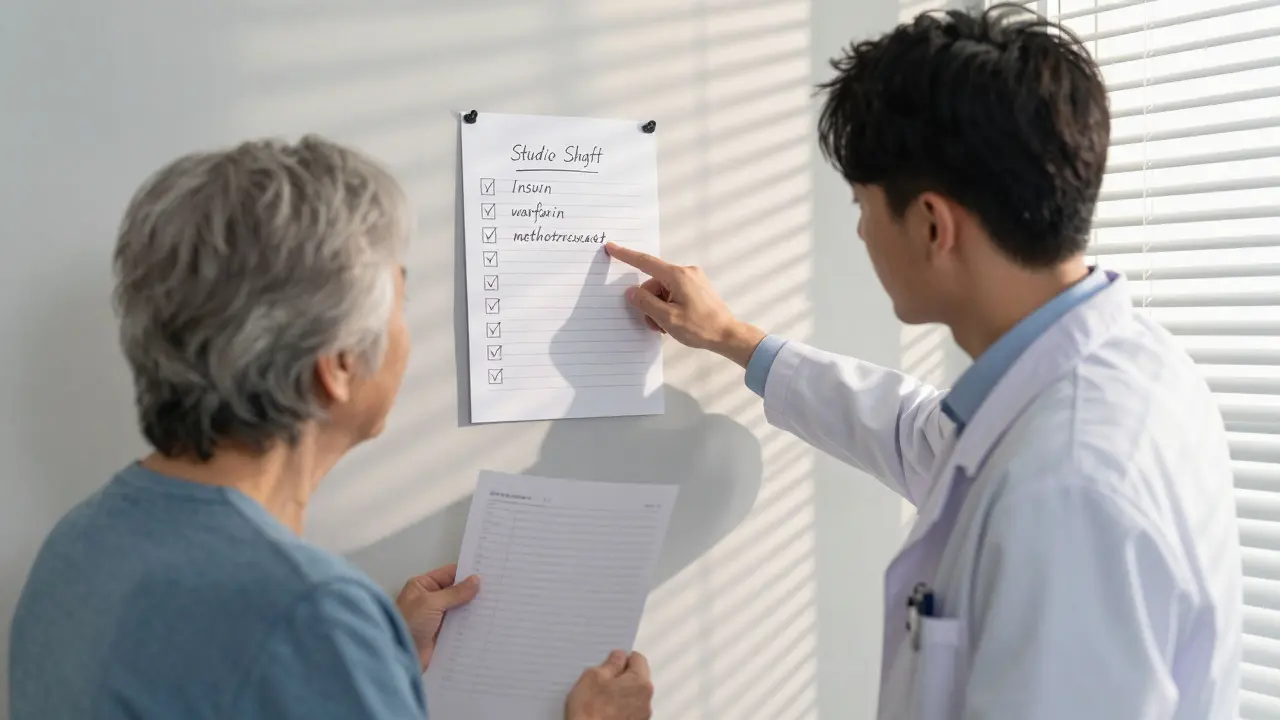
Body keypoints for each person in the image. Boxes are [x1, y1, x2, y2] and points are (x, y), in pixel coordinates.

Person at [605, 5, 1241, 720]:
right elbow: (918, 432)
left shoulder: (1066, 491)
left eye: (863, 205)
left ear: (934, 226)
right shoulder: (1120, 368)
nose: (860, 231)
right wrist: (733, 337)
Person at [9, 137, 653, 719]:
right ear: (338, 367)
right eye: (399, 304)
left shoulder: (82, 541)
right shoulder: (307, 615)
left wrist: (375, 660)